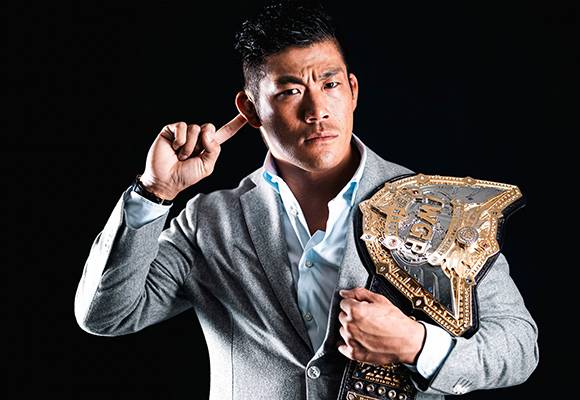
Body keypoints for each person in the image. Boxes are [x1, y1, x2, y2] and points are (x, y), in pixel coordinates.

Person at [74, 1, 538, 399]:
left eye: (330, 85)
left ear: (352, 91)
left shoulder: (439, 209)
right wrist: (155, 192)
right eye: (291, 91)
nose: (317, 111)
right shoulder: (209, 221)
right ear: (250, 109)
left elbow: (519, 347)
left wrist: (416, 344)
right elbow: (107, 315)